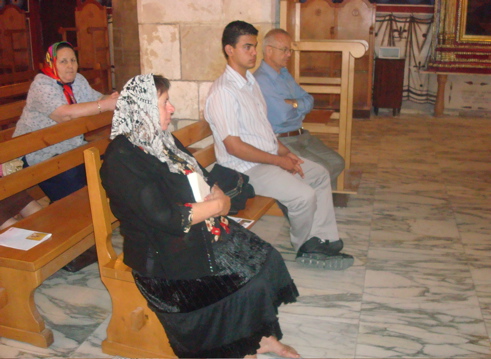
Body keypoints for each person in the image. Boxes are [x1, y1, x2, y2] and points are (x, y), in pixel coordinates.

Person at [100, 74, 300, 358]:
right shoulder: (122, 157)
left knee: (265, 258)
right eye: (164, 103)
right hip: (162, 255)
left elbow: (200, 173)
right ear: (141, 109)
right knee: (236, 282)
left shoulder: (161, 139)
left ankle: (260, 337)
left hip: (197, 230)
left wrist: (219, 194)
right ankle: (239, 347)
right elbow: (166, 217)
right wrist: (219, 206)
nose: (172, 109)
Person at [205, 20, 353, 270]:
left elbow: (263, 128)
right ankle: (305, 245)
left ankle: (324, 237)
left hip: (266, 157)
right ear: (230, 50)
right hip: (245, 169)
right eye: (247, 47)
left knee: (318, 173)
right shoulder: (224, 92)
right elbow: (234, 147)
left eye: (255, 46)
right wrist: (279, 160)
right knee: (303, 195)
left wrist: (285, 152)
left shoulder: (250, 83)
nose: (253, 53)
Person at [13, 41, 119, 202]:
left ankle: (105, 213)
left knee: (109, 166)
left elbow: (97, 98)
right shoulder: (42, 85)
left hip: (70, 146)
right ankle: (71, 217)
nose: (70, 66)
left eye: (73, 60)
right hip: (39, 153)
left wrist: (112, 98)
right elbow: (63, 115)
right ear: (51, 63)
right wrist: (105, 105)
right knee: (75, 190)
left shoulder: (78, 80)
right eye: (63, 61)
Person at [254, 28, 345, 190]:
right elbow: (282, 116)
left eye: (290, 50)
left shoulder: (284, 74)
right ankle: (302, 200)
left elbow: (309, 100)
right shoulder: (261, 80)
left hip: (301, 135)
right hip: (282, 140)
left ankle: (310, 197)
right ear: (269, 51)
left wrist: (293, 103)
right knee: (322, 169)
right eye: (285, 50)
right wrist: (298, 106)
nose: (289, 54)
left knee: (337, 162)